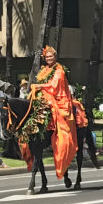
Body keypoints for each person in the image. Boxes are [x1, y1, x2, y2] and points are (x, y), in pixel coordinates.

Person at [29, 46, 77, 180]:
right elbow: (39, 80)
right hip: (43, 96)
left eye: (51, 56)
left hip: (58, 98)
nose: (49, 58)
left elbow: (54, 86)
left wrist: (39, 86)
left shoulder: (59, 70)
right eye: (47, 57)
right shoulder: (44, 70)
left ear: (55, 57)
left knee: (53, 111)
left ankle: (58, 137)